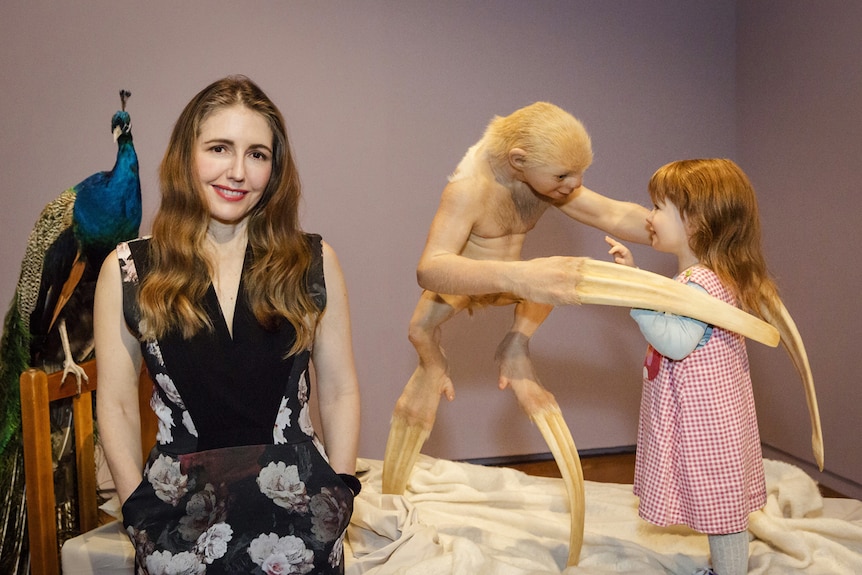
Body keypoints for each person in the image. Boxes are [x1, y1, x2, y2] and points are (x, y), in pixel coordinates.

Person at [94, 76, 361, 574]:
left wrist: (342, 489)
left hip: (302, 526)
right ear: (185, 156)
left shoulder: (313, 262)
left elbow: (341, 389)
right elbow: (113, 403)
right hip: (176, 526)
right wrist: (137, 509)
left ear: (275, 169)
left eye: (257, 154)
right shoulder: (129, 270)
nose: (238, 171)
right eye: (220, 148)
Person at [383, 102, 652, 496]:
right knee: (420, 328)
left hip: (516, 286)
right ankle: (432, 365)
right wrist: (520, 275)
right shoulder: (469, 188)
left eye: (580, 174)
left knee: (557, 276)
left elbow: (613, 215)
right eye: (564, 175)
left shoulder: (548, 183)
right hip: (464, 286)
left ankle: (516, 344)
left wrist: (686, 232)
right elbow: (429, 269)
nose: (574, 184)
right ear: (518, 160)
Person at [605, 158, 775, 575]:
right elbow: (676, 316)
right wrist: (635, 278)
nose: (649, 216)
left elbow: (676, 342)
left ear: (696, 221)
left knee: (721, 509)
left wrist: (636, 301)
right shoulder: (707, 277)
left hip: (706, 419)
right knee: (721, 505)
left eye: (659, 208)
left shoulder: (700, 281)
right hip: (709, 412)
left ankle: (729, 571)